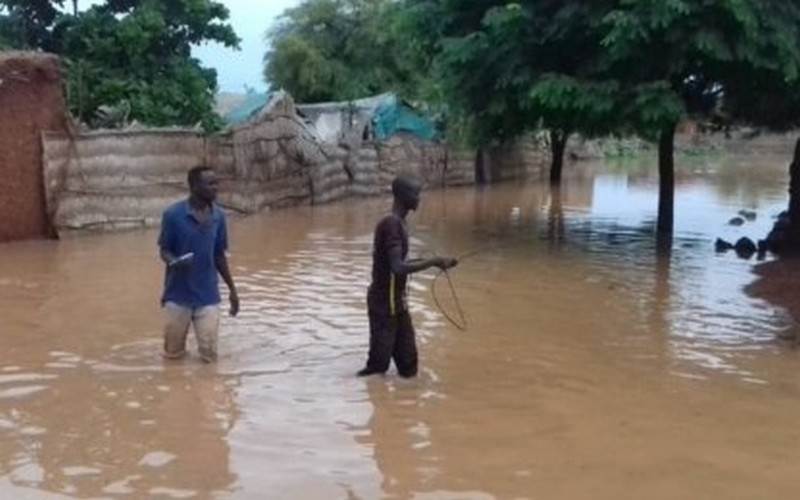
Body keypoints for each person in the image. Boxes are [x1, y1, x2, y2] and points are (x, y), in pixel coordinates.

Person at [357, 173, 458, 378]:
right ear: (402, 195)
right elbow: (398, 268)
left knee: (409, 366)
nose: (418, 198)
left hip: (398, 303)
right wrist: (434, 262)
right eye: (415, 193)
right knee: (378, 367)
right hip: (384, 305)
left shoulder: (400, 223)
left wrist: (439, 262)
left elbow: (398, 264)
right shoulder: (392, 224)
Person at [158, 165, 239, 363]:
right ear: (194, 186)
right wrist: (174, 262)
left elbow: (219, 256)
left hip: (208, 295)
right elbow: (164, 250)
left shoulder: (218, 216)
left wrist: (232, 290)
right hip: (178, 295)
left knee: (209, 357)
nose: (215, 187)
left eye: (216, 183)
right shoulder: (172, 215)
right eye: (210, 184)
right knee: (173, 355)